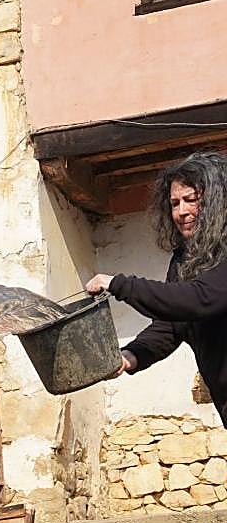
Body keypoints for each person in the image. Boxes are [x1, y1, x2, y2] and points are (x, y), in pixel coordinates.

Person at [86, 151, 227, 427]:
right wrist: (131, 356)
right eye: (174, 203)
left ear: (217, 201)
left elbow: (200, 300)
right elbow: (172, 325)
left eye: (191, 200)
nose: (181, 212)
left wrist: (118, 284)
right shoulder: (185, 260)